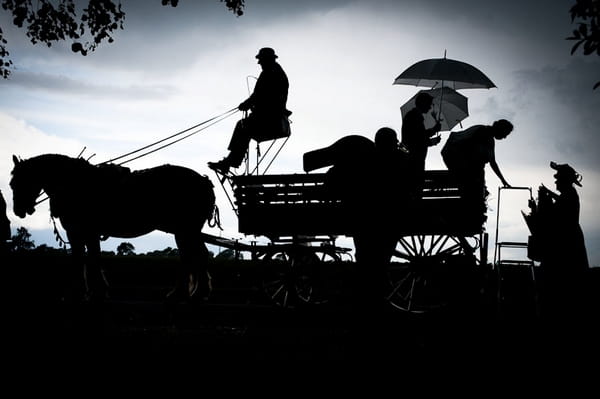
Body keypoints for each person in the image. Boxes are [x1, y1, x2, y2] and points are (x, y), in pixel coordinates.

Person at [208, 47, 291, 174]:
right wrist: (248, 104)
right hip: (271, 116)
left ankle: (231, 161)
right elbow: (260, 95)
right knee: (243, 126)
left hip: (271, 118)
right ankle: (231, 161)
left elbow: (260, 94)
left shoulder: (271, 73)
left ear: (267, 59)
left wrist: (246, 104)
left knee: (243, 126)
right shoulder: (275, 72)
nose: (259, 63)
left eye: (261, 60)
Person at [529, 162, 589, 321]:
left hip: (567, 246)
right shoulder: (568, 194)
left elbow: (556, 212)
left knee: (565, 287)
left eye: (557, 179)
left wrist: (543, 201)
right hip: (567, 243)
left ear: (564, 180)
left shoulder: (569, 195)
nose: (555, 182)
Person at [441, 119, 513, 225]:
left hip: (456, 159)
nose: (504, 137)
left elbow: (492, 162)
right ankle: (470, 215)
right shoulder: (482, 132)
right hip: (454, 156)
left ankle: (472, 211)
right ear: (500, 129)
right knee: (476, 175)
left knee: (477, 175)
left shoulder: (488, 137)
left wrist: (503, 180)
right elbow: (475, 156)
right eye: (505, 134)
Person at [401, 92, 442, 198]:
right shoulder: (415, 116)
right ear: (423, 103)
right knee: (415, 190)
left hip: (413, 159)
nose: (430, 107)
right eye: (429, 104)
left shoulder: (413, 116)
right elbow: (418, 140)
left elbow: (419, 136)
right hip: (414, 160)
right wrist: (433, 136)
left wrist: (433, 133)